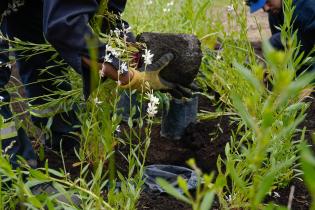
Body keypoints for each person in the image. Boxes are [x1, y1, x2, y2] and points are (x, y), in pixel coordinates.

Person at [246, 0, 315, 71]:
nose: (266, 8)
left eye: (267, 1)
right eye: (262, 6)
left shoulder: (306, 5)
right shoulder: (275, 13)